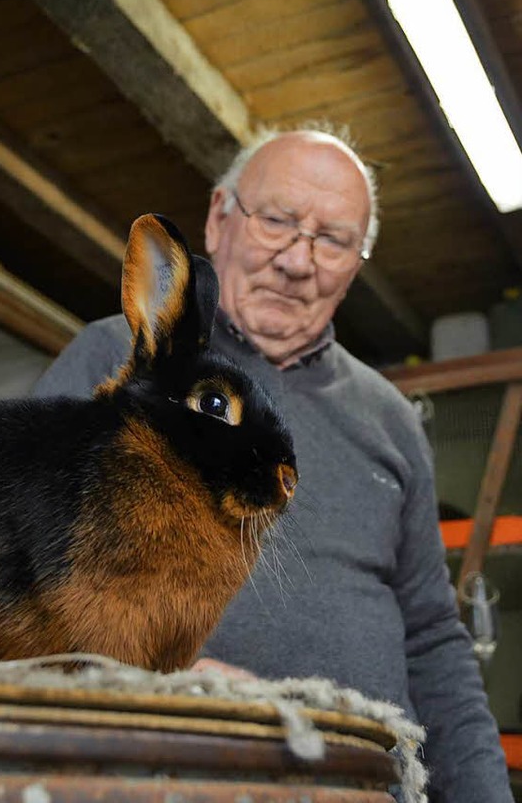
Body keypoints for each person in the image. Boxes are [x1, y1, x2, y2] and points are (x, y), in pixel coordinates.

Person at [32, 128, 512, 802]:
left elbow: (432, 639)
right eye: (278, 221)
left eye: (333, 239)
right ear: (219, 217)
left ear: (357, 261)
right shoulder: (117, 359)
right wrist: (163, 681)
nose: (297, 259)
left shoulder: (391, 419)